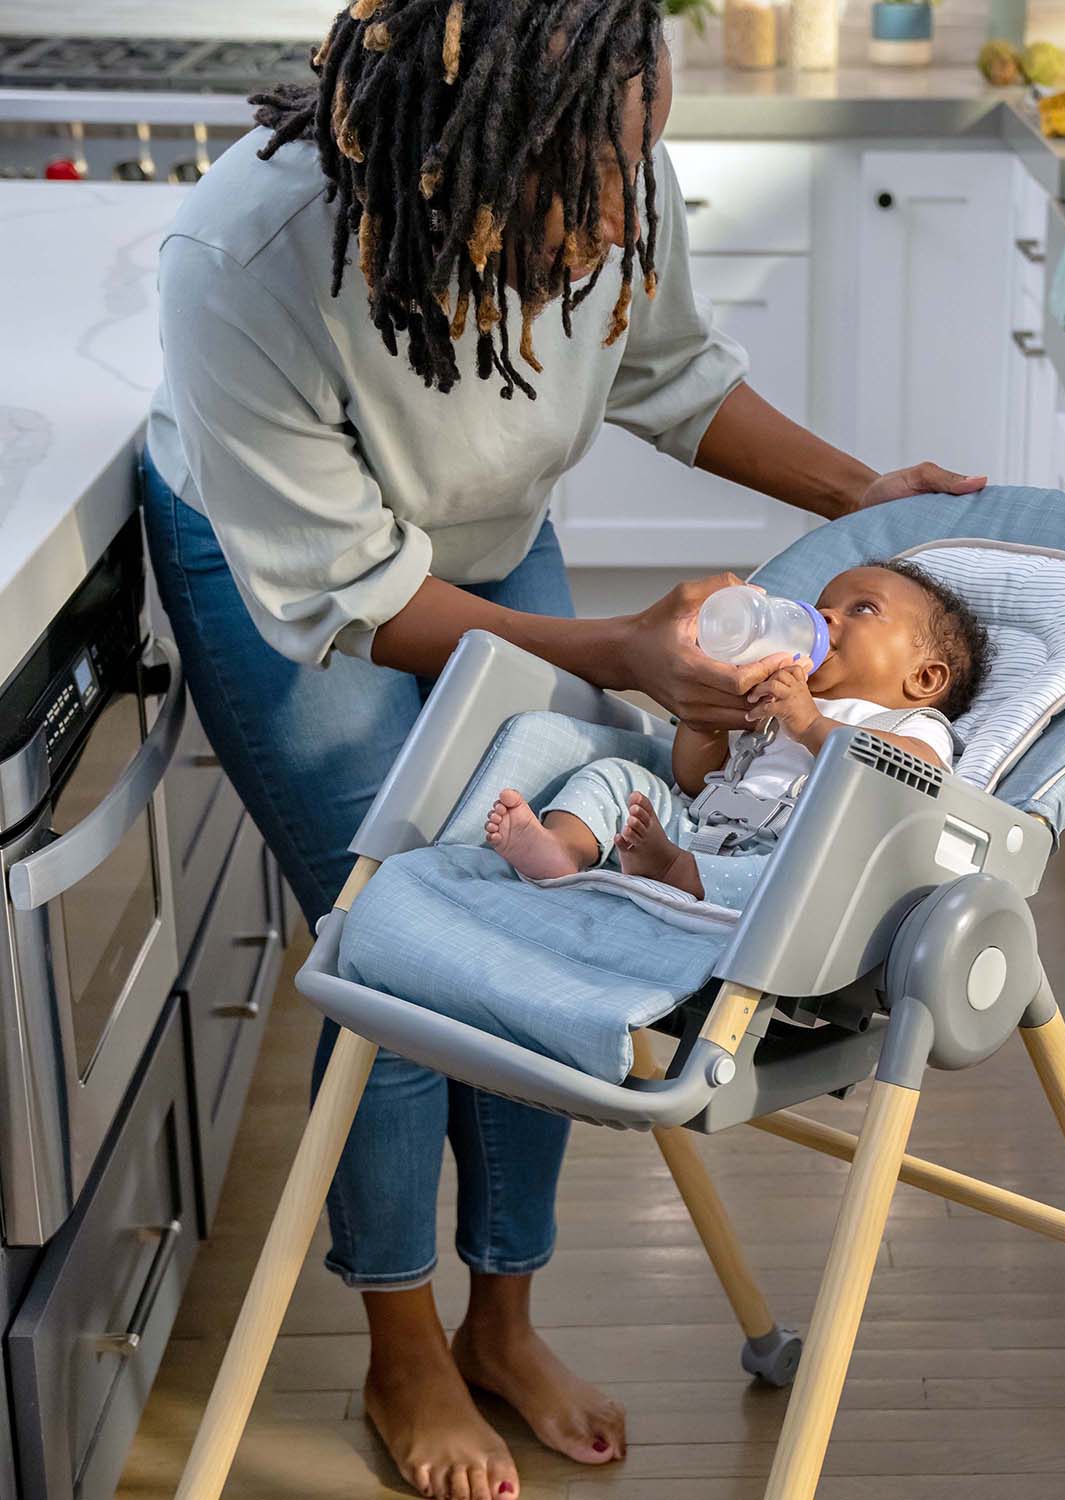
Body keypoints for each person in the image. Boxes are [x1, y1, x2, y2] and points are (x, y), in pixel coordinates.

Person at [142, 2, 986, 1496]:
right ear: (449, 147)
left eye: (634, 166)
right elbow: (360, 591)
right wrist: (617, 652)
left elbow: (676, 377)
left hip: (490, 536)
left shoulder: (609, 156)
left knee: (544, 904)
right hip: (289, 574)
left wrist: (870, 499)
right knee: (397, 933)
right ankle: (402, 1347)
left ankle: (503, 1320)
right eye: (578, 187)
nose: (614, 217)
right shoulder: (246, 261)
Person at [484, 561, 988, 903]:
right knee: (617, 777)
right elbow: (695, 778)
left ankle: (673, 872)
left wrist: (811, 724)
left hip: (780, 856)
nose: (825, 615)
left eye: (863, 610)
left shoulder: (914, 726)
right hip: (702, 828)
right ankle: (564, 847)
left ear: (924, 678)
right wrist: (706, 721)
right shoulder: (777, 696)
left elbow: (911, 778)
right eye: (822, 604)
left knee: (810, 877)